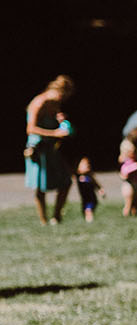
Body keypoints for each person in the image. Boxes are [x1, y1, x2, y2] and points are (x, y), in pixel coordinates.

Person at [24, 75, 75, 225]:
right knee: (41, 186)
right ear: (57, 90)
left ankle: (56, 216)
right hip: (38, 149)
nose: (61, 100)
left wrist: (61, 122)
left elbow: (60, 128)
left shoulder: (55, 105)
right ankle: (43, 221)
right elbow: (30, 129)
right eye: (63, 95)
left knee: (65, 182)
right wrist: (55, 133)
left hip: (51, 148)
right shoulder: (39, 102)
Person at [118, 136, 137, 217]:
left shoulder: (136, 162)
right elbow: (124, 174)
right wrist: (136, 166)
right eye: (132, 152)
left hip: (136, 185)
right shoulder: (126, 162)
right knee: (128, 203)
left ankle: (135, 217)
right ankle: (126, 216)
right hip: (128, 186)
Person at [74, 156, 104, 222]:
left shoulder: (90, 177)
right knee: (85, 210)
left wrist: (100, 190)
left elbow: (96, 184)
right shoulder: (79, 177)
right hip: (85, 199)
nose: (87, 165)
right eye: (84, 165)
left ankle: (89, 221)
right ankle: (88, 219)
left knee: (88, 210)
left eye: (88, 164)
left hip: (91, 199)